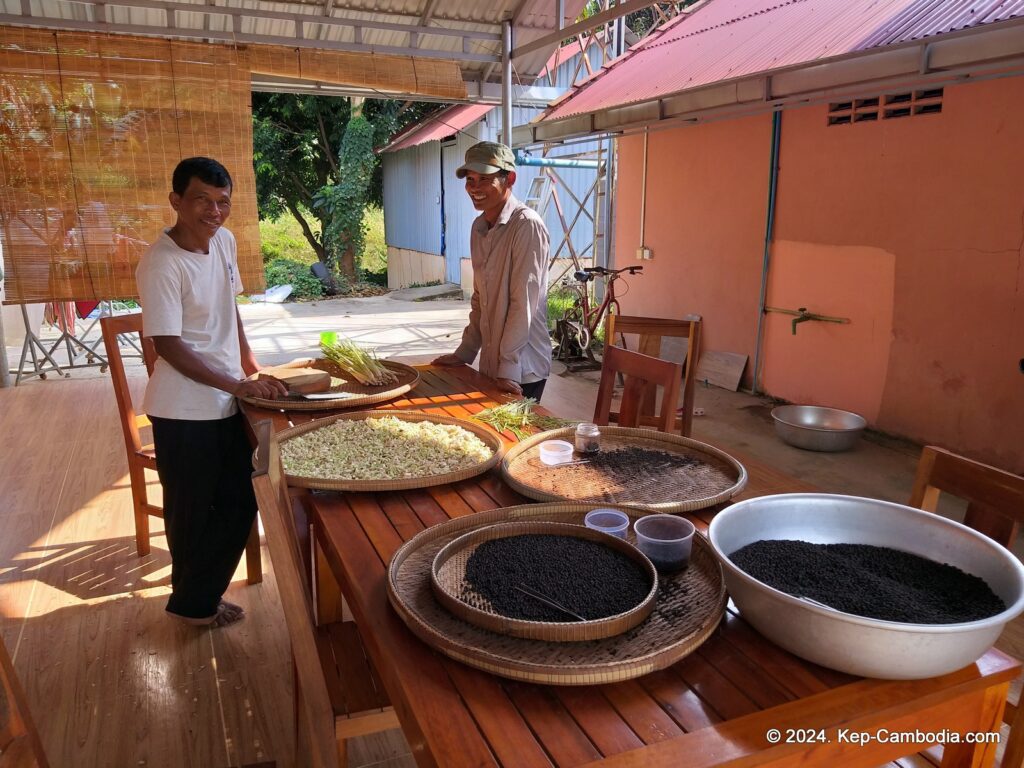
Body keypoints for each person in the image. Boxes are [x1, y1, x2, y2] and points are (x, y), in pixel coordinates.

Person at [136, 157, 287, 628]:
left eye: (222, 201)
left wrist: (249, 363)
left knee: (243, 499)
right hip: (182, 411)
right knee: (190, 513)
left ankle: (197, 597)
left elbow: (230, 307)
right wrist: (235, 382)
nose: (214, 211)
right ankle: (195, 605)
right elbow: (168, 347)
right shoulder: (161, 263)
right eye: (202, 199)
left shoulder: (224, 241)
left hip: (226, 399)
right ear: (177, 201)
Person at [433, 141, 552, 400]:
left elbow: (524, 304)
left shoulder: (527, 226)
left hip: (522, 366)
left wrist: (508, 366)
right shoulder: (479, 227)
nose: (474, 188)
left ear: (510, 178)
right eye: (470, 179)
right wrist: (464, 353)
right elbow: (480, 300)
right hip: (493, 364)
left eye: (485, 179)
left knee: (517, 438)